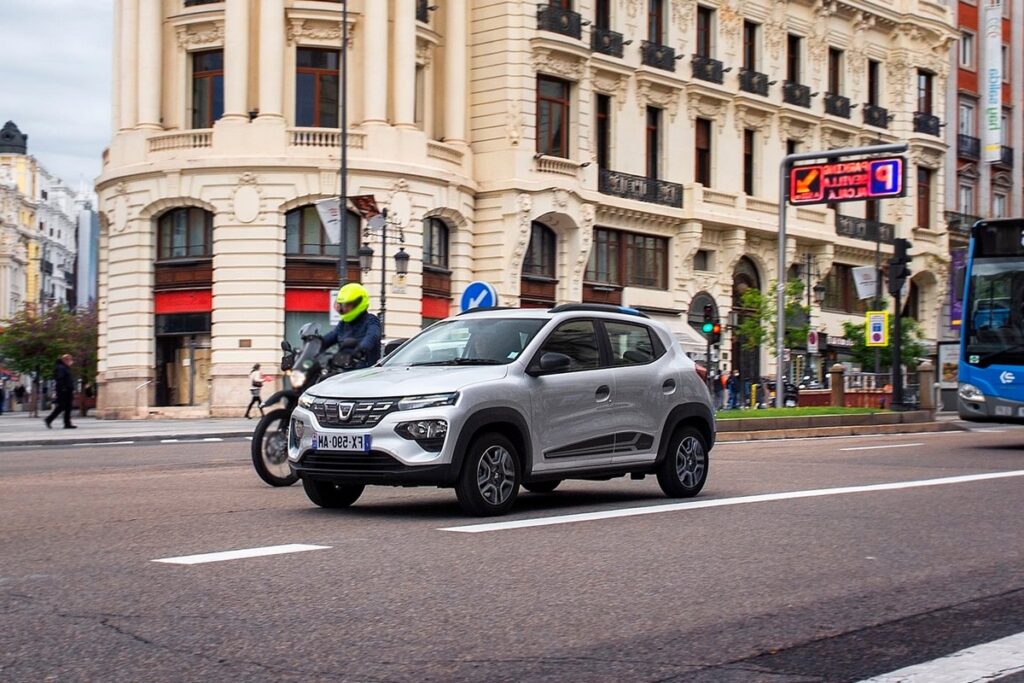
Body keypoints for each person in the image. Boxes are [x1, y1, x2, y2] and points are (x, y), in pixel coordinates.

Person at [322, 283, 382, 370]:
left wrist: (361, 350)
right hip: (342, 371)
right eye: (342, 306)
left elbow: (372, 336)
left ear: (359, 303)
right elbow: (331, 336)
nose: (344, 309)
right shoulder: (343, 324)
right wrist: (316, 343)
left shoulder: (371, 320)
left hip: (366, 373)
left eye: (348, 305)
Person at [44, 354, 76, 429]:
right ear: (65, 360)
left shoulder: (65, 367)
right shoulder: (61, 368)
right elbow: (60, 379)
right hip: (63, 391)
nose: (71, 361)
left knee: (68, 407)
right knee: (61, 406)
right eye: (69, 360)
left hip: (67, 390)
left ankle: (67, 423)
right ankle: (49, 419)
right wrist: (63, 388)